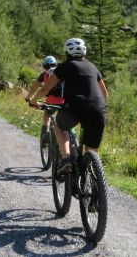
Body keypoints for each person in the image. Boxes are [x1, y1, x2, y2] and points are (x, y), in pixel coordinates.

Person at [28, 38, 108, 173]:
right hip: (98, 109)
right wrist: (100, 107)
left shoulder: (64, 66)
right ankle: (96, 182)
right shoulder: (93, 67)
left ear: (67, 52)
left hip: (75, 108)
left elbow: (45, 89)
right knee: (92, 148)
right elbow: (104, 93)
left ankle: (66, 159)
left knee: (59, 127)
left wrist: (33, 100)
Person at [25, 56, 65, 146]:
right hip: (65, 101)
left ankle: (45, 134)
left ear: (44, 66)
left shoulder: (44, 75)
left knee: (47, 115)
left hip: (52, 101)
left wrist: (28, 97)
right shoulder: (62, 72)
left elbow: (34, 87)